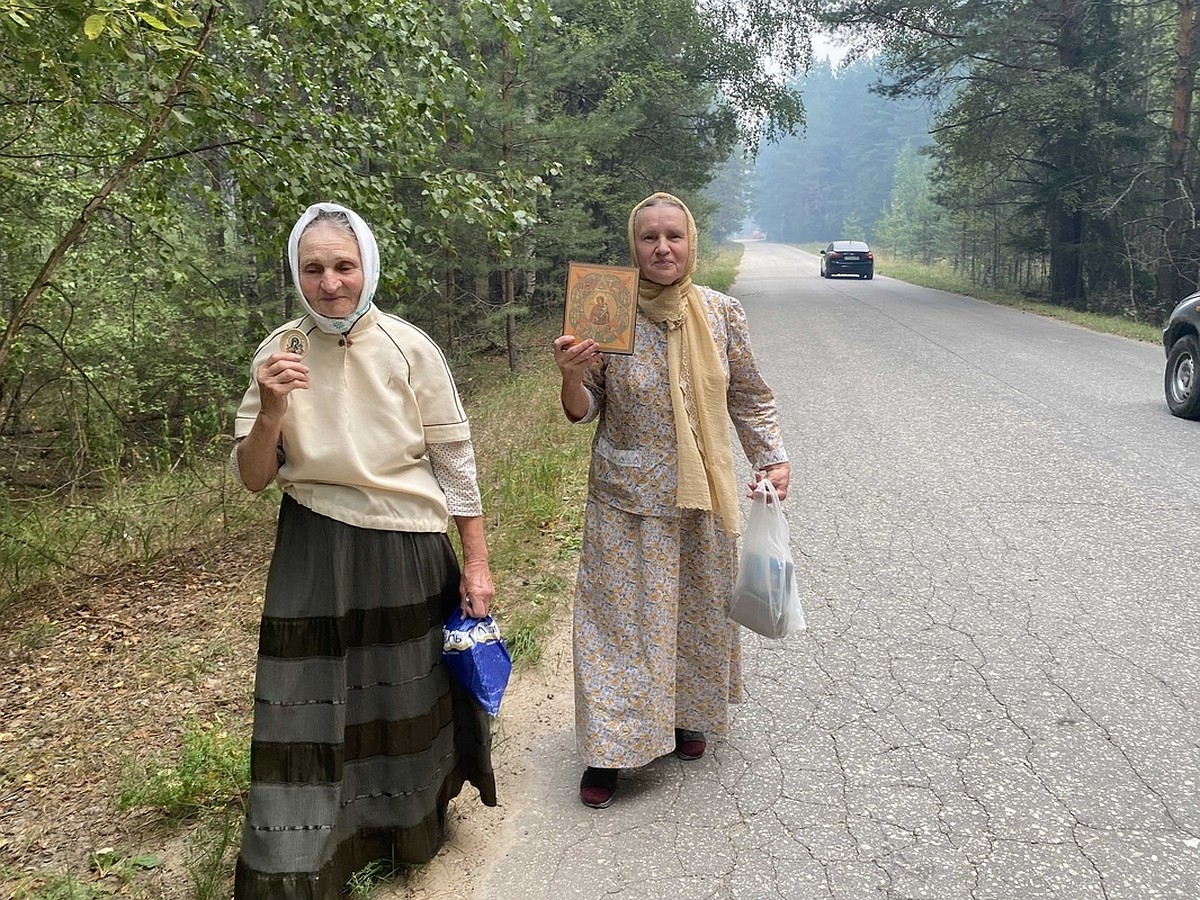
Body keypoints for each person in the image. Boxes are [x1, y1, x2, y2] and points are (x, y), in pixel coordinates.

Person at [230, 202, 497, 897]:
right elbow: (255, 479)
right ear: (297, 273)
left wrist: (477, 562)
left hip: (407, 545)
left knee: (402, 696)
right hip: (313, 550)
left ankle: (407, 829)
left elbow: (455, 462)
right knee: (308, 701)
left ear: (367, 267)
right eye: (313, 268)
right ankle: (307, 855)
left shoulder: (410, 347)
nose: (330, 283)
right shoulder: (278, 353)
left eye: (343, 266)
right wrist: (270, 411)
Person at [553, 191, 791, 809]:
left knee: (697, 610)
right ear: (632, 247)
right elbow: (583, 413)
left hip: (702, 496)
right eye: (648, 238)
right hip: (626, 499)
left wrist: (772, 456)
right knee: (618, 627)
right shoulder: (605, 311)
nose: (662, 248)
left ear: (692, 243)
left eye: (673, 237)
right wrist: (572, 373)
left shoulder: (721, 313)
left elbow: (749, 395)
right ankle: (611, 749)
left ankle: (688, 713)